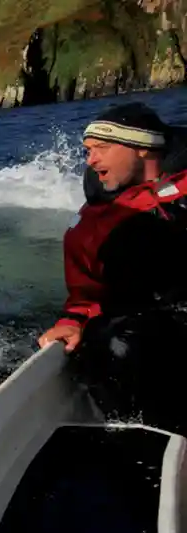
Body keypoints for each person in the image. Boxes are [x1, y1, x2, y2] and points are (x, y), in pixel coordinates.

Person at [38, 102, 187, 352]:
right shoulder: (91, 223)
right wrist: (73, 322)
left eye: (102, 149)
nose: (91, 161)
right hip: (147, 334)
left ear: (141, 147)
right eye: (88, 151)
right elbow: (84, 297)